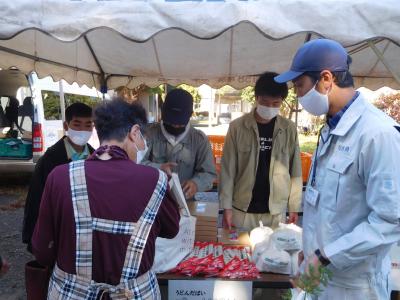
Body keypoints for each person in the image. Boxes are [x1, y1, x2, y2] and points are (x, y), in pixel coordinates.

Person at [275, 38, 400, 299]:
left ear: (326, 79)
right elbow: (325, 203)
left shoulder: (377, 135)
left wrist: (325, 256)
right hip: (321, 277)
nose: (297, 96)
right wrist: (310, 249)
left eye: (300, 86)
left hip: (355, 287)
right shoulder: (331, 128)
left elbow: (390, 220)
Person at [32, 99, 180, 299]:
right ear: (134, 132)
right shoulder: (155, 180)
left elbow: (42, 249)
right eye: (143, 139)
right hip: (134, 293)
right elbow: (172, 230)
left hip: (71, 293)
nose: (143, 146)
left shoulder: (60, 177)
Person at [219, 72, 302, 231]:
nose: (270, 107)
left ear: (282, 102)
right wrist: (226, 207)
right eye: (265, 102)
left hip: (275, 212)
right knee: (240, 253)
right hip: (242, 209)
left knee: (274, 254)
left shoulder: (289, 129)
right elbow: (227, 170)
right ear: (256, 98)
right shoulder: (237, 127)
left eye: (275, 103)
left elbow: (296, 170)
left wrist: (294, 206)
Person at [22, 102, 95, 251]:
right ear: (66, 126)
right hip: (60, 229)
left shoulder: (96, 157)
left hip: (88, 231)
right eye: (77, 124)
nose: (83, 130)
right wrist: (34, 238)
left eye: (88, 125)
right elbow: (36, 198)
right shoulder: (50, 159)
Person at [142, 88, 216, 199]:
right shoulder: (148, 134)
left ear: (190, 115)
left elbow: (209, 173)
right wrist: (158, 167)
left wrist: (196, 184)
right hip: (151, 201)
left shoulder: (199, 139)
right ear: (163, 113)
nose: (176, 125)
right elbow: (134, 164)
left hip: (186, 203)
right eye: (171, 121)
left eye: (180, 123)